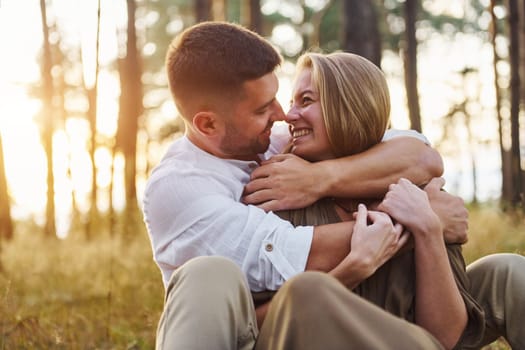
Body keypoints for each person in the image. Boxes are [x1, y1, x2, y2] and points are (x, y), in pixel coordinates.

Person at [143, 21, 453, 350]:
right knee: (207, 275)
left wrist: (320, 178)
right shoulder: (178, 188)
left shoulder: (271, 142)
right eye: (263, 109)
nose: (282, 115)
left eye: (278, 98)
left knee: (502, 273)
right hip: (240, 339)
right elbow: (299, 253)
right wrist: (423, 218)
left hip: (305, 326)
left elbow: (420, 155)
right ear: (208, 123)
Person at [249, 51, 525, 349]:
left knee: (510, 268)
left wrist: (428, 229)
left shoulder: (417, 195)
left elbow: (446, 338)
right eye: (293, 101)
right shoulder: (275, 192)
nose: (289, 115)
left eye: (306, 101)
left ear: (349, 107)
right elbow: (254, 326)